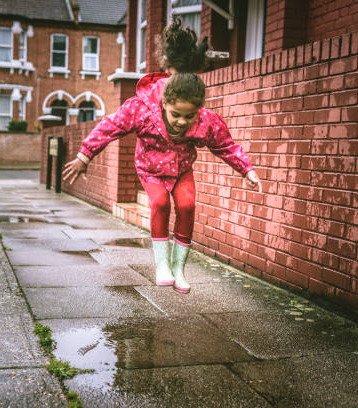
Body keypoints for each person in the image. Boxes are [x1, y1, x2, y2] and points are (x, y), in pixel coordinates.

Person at [62, 17, 261, 294]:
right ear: (164, 103)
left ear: (198, 110)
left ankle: (179, 268)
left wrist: (247, 169)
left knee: (187, 205)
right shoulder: (142, 109)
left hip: (181, 170)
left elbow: (225, 144)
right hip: (151, 169)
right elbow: (111, 126)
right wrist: (85, 156)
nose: (182, 122)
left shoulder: (204, 120)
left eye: (188, 116)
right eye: (176, 115)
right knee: (159, 203)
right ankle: (162, 265)